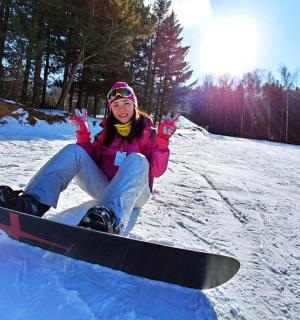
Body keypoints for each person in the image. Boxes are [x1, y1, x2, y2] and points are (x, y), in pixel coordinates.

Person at [0, 82, 178, 234]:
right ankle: (32, 203)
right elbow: (88, 159)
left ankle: (110, 219)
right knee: (73, 151)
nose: (121, 109)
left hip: (136, 194)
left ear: (134, 106)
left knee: (137, 159)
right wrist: (82, 134)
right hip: (105, 188)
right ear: (111, 109)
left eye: (126, 103)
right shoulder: (106, 134)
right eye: (115, 105)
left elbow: (156, 170)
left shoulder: (148, 133)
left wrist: (162, 141)